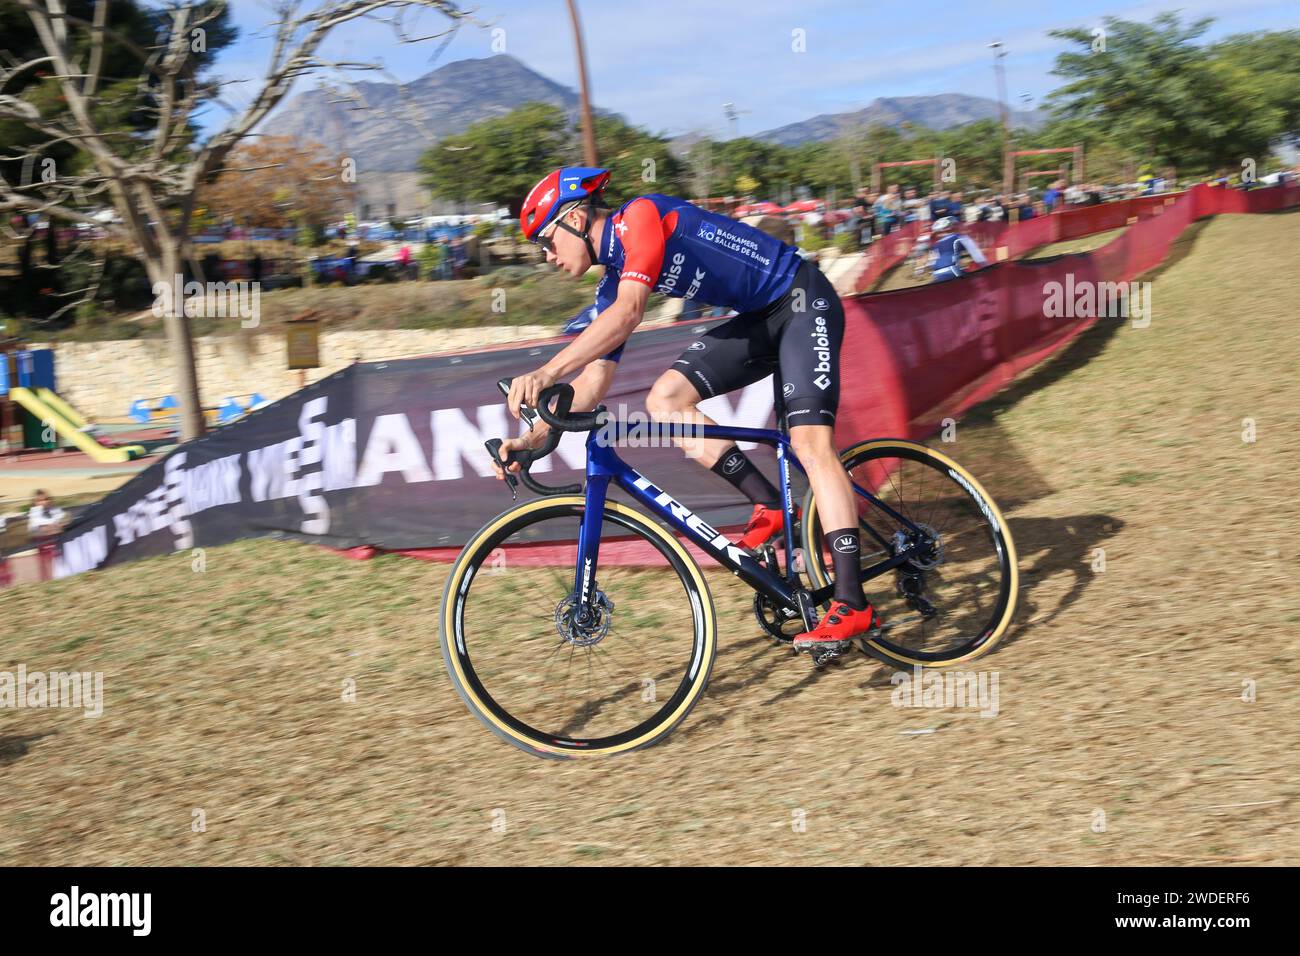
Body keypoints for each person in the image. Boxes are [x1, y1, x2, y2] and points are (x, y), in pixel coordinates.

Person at [492, 166, 883, 650]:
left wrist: (547, 372)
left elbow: (630, 313)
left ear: (574, 218)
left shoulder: (640, 217)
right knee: (666, 400)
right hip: (759, 319)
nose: (547, 256)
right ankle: (771, 505)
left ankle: (853, 602)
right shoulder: (611, 282)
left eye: (546, 240)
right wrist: (532, 443)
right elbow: (594, 378)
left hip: (802, 299)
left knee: (809, 443)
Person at [928, 216, 988, 282]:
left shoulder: (936, 245)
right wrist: (986, 267)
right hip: (952, 270)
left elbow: (931, 263)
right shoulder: (960, 237)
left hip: (936, 274)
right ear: (951, 227)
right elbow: (978, 256)